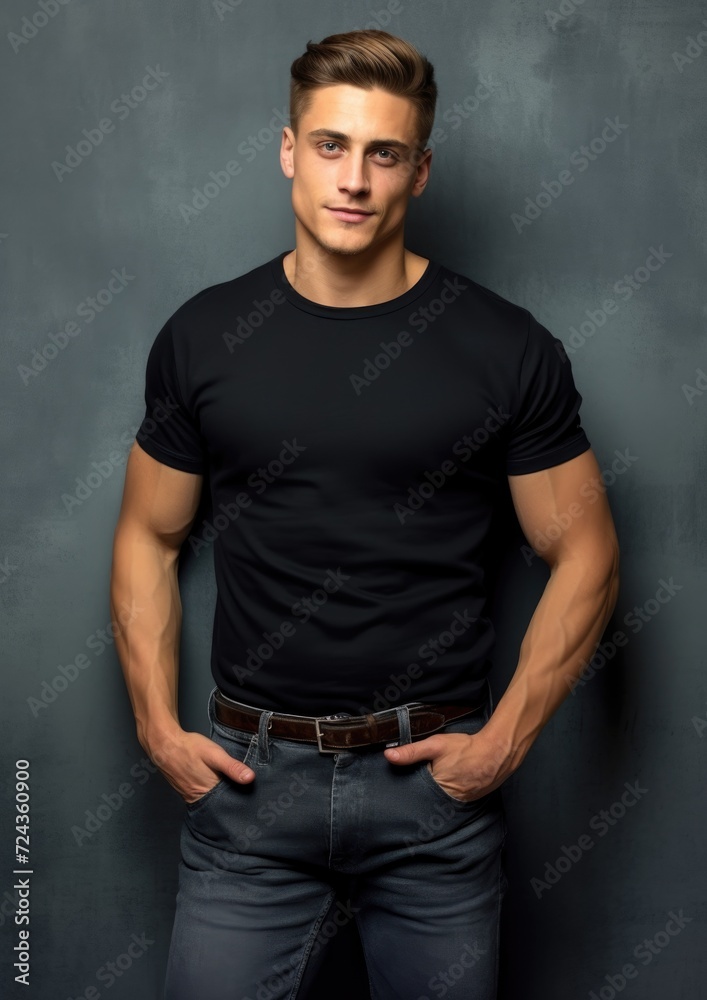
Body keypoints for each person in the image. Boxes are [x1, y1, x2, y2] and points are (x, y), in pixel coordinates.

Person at [110, 28, 619, 1000]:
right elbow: (148, 532)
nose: (354, 178)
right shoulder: (207, 335)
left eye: (383, 153)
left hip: (429, 794)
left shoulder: (502, 346)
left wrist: (502, 742)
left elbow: (584, 546)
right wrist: (155, 726)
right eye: (332, 145)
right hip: (249, 791)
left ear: (418, 171)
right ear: (289, 150)